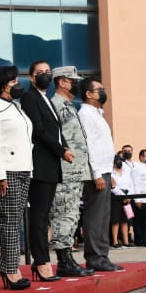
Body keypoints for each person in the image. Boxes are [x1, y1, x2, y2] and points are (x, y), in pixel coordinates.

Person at [0, 66, 34, 288]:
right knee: (10, 222)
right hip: (8, 170)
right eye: (13, 81)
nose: (17, 84)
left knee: (15, 220)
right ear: (3, 85)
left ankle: (12, 267)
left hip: (24, 168)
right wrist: (0, 175)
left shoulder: (15, 106)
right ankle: (9, 270)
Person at [22, 59, 68, 279]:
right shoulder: (29, 98)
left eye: (48, 71)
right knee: (38, 217)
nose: (45, 75)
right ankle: (41, 261)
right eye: (40, 72)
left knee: (44, 216)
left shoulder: (46, 99)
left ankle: (42, 261)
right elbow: (39, 131)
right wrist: (61, 150)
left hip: (51, 165)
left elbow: (56, 130)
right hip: (39, 164)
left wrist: (64, 147)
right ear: (32, 77)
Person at [48, 66, 95, 277]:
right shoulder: (55, 105)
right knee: (63, 214)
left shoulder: (69, 106)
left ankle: (68, 257)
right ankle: (63, 260)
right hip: (65, 171)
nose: (76, 84)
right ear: (62, 82)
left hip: (76, 171)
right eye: (72, 81)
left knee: (72, 214)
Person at [78, 77, 122, 272]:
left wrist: (109, 172)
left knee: (104, 216)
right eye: (99, 90)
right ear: (88, 94)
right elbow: (89, 147)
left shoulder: (98, 114)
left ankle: (103, 255)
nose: (103, 92)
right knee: (95, 216)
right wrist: (96, 174)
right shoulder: (85, 115)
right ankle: (94, 257)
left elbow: (104, 147)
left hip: (104, 170)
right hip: (95, 172)